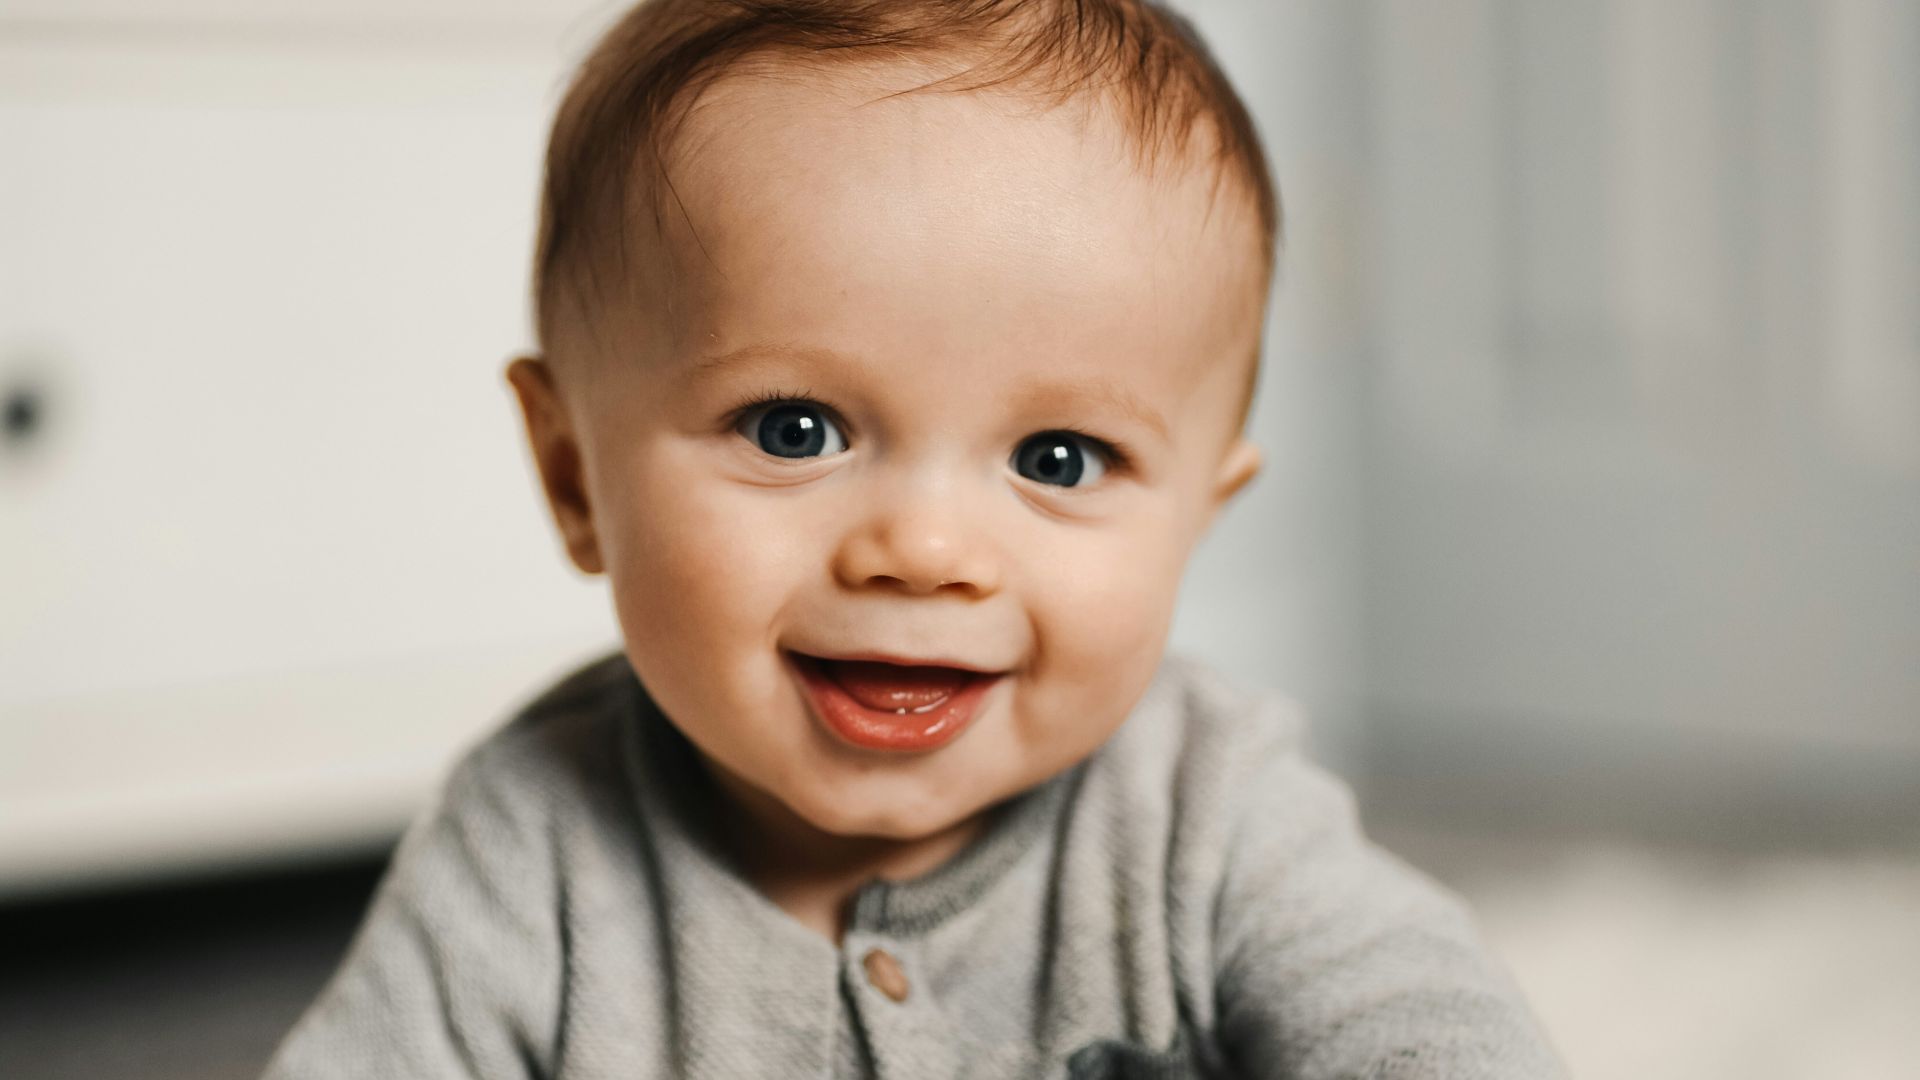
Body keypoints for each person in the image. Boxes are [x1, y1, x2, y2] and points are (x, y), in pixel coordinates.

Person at [264, 1, 1563, 1076]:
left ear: (1193, 525)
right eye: (792, 429)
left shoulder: (1201, 807)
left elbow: (1423, 1017)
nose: (924, 550)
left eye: (1059, 459)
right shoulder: (533, 847)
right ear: (572, 479)